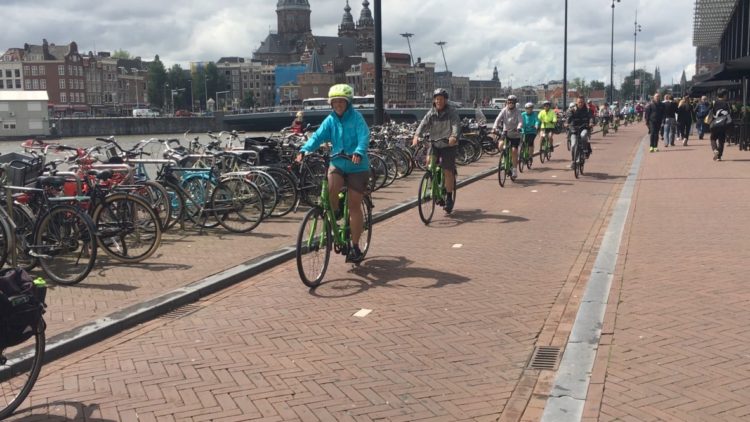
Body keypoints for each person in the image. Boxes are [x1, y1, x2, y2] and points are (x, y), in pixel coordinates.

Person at [297, 84, 370, 263]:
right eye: (334, 102)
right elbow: (317, 137)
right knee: (330, 192)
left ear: (348, 102)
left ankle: (354, 246)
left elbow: (364, 135)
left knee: (354, 205)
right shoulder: (330, 120)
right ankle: (335, 211)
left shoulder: (357, 118)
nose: (338, 104)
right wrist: (305, 150)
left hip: (357, 166)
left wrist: (359, 151)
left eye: (341, 101)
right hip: (337, 163)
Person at [412, 88, 460, 213]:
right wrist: (417, 136)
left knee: (447, 171)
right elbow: (423, 124)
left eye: (441, 99)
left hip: (448, 145)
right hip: (435, 144)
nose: (438, 101)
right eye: (437, 99)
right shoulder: (431, 113)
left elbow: (455, 125)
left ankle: (449, 197)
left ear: (445, 100)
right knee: (429, 163)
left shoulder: (451, 112)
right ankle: (433, 188)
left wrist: (453, 136)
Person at [491, 94, 523, 178]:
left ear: (515, 103)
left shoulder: (518, 111)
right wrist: (494, 127)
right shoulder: (504, 110)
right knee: (500, 144)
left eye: (512, 102)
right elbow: (498, 119)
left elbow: (520, 121)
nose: (510, 103)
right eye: (509, 101)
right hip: (506, 132)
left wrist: (519, 127)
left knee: (514, 150)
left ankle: (514, 169)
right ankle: (504, 157)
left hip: (515, 134)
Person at [565, 96, 593, 168]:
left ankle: (585, 150)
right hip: (574, 129)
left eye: (582, 102)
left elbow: (591, 117)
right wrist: (566, 123)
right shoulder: (573, 110)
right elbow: (569, 117)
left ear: (584, 102)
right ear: (576, 102)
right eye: (579, 102)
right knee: (573, 145)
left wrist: (591, 122)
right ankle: (573, 161)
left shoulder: (587, 110)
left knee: (583, 136)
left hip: (584, 127)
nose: (580, 103)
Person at [709, 89, 732, 161]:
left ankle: (715, 149)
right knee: (721, 140)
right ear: (724, 95)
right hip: (723, 124)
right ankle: (719, 156)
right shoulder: (727, 103)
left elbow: (709, 111)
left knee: (713, 138)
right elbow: (730, 113)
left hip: (714, 123)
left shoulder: (713, 102)